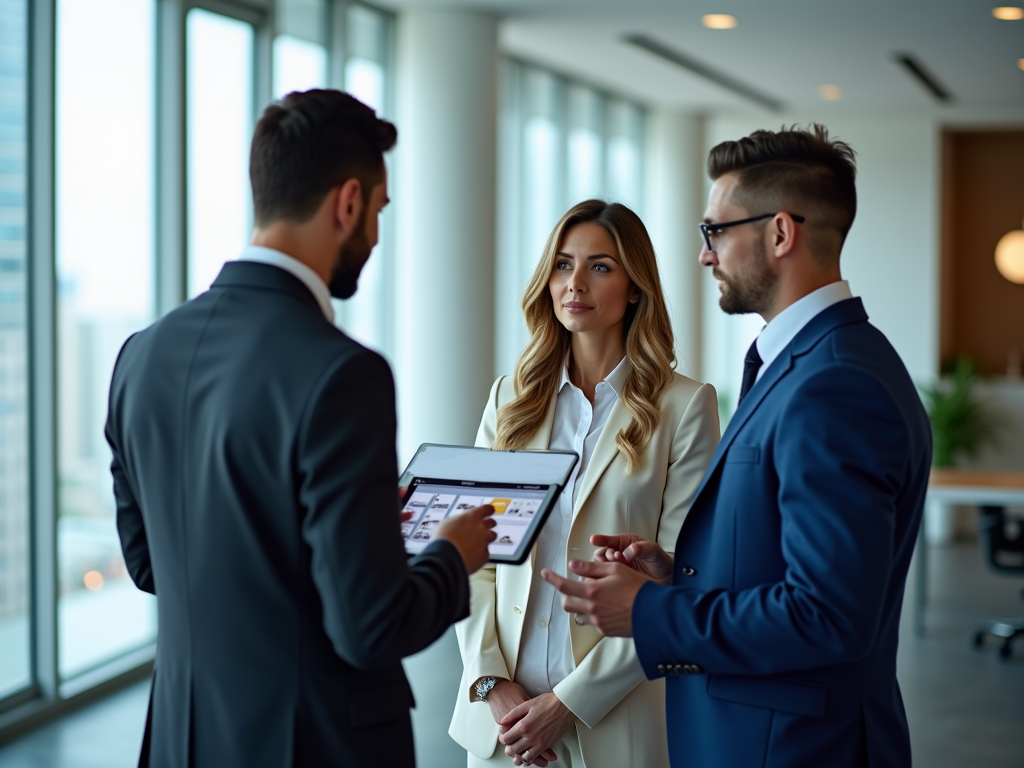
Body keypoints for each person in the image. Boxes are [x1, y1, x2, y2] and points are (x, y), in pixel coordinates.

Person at [105, 89, 496, 768]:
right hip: (311, 744)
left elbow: (149, 562)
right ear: (347, 203)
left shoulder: (142, 353)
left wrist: (353, 537)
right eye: (378, 210)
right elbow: (371, 629)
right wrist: (450, 554)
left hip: (182, 739)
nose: (375, 233)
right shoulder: (342, 373)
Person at [544, 125, 933, 768]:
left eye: (715, 231)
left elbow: (828, 614)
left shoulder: (834, 383)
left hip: (791, 747)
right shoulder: (811, 361)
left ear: (780, 234)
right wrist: (683, 575)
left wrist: (651, 611)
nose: (704, 256)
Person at [449, 200, 720, 768]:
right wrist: (490, 683)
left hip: (617, 721)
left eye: (600, 266)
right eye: (563, 265)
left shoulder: (685, 407)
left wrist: (568, 703)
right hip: (507, 730)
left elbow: (678, 578)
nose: (575, 283)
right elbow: (474, 561)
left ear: (635, 286)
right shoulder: (510, 401)